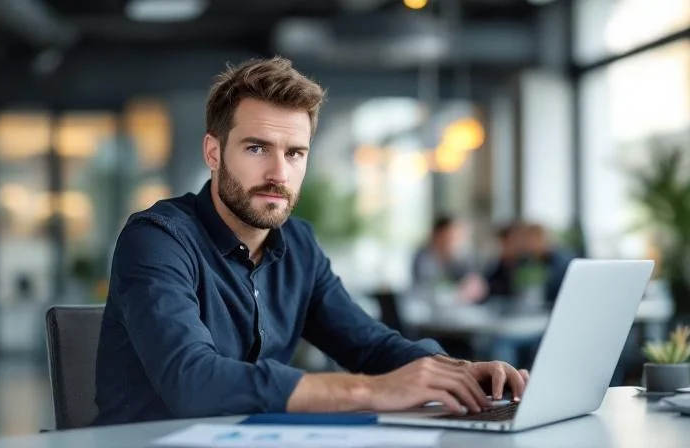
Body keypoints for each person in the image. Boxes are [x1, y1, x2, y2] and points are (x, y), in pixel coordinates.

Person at [93, 57, 528, 426]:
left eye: (294, 153)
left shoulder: (297, 245)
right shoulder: (157, 240)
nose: (279, 175)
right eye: (257, 149)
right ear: (213, 152)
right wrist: (372, 391)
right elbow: (193, 382)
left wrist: (458, 373)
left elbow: (370, 344)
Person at [411, 216, 486, 305]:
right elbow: (426, 290)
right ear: (437, 235)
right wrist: (457, 293)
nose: (455, 241)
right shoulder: (423, 258)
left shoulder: (459, 258)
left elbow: (476, 286)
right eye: (450, 236)